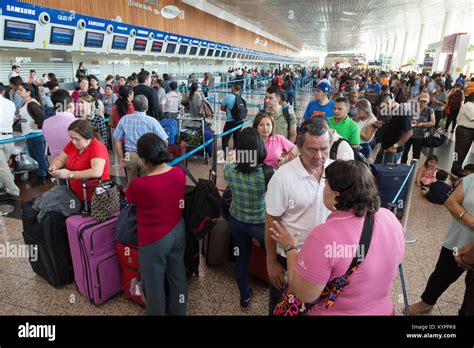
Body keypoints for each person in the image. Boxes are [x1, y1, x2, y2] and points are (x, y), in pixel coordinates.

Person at [270, 160, 405, 315]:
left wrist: (290, 248)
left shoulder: (324, 237)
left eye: (326, 183)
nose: (323, 187)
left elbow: (304, 294)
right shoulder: (390, 218)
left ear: (336, 195)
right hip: (384, 310)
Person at [265, 119, 333, 314]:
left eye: (324, 148)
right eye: (312, 149)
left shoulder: (335, 171)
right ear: (298, 147)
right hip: (288, 257)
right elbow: (271, 222)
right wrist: (271, 262)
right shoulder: (283, 177)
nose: (319, 156)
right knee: (282, 308)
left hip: (324, 258)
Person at [125, 133, 187, 316]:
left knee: (154, 285)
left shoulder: (140, 185)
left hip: (153, 240)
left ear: (143, 160)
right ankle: (179, 310)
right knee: (177, 277)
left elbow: (130, 197)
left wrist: (132, 171)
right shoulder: (179, 172)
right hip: (178, 230)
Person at [404, 173, 474, 315]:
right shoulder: (471, 179)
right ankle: (426, 303)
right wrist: (471, 221)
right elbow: (451, 202)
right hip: (457, 239)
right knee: (441, 274)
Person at [224, 128, 272, 307]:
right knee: (272, 259)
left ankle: (244, 295)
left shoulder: (229, 169)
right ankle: (276, 293)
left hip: (237, 221)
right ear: (259, 147)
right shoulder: (267, 173)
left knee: (241, 259)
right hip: (260, 225)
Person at [48, 120, 110, 202]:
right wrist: (54, 166)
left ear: (88, 138)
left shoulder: (98, 147)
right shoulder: (72, 145)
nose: (73, 142)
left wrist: (69, 174)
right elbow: (61, 158)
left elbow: (96, 172)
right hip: (76, 195)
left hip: (95, 198)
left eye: (77, 139)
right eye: (71, 138)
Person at [114, 95, 168, 183]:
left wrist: (121, 157)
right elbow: (165, 141)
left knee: (131, 184)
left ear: (133, 106)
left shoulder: (124, 119)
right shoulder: (152, 121)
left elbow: (117, 138)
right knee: (147, 184)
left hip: (129, 156)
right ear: (147, 107)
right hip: (147, 156)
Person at [17, 83, 49, 186]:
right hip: (29, 134)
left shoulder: (32, 104)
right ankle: (47, 171)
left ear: (28, 92)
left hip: (35, 135)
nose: (19, 91)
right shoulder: (26, 103)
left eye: (21, 90)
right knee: (33, 155)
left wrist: (39, 126)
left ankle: (41, 177)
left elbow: (43, 118)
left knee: (39, 157)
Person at [401, 93, 435, 164]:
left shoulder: (429, 110)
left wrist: (422, 124)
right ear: (419, 100)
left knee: (416, 154)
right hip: (408, 133)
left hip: (420, 135)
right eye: (423, 101)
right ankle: (402, 167)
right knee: (404, 152)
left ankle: (413, 169)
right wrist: (409, 120)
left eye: (426, 101)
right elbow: (405, 117)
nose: (424, 103)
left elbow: (433, 122)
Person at [42, 90, 76, 159]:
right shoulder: (77, 122)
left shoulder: (46, 122)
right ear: (70, 104)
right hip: (74, 162)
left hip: (54, 162)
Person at [0, 83, 20, 200]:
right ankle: (8, 186)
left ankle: (13, 191)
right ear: (3, 92)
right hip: (9, 138)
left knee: (2, 167)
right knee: (4, 167)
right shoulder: (11, 104)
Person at [451, 93, 474, 178]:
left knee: (461, 150)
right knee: (459, 151)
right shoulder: (468, 106)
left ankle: (456, 167)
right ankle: (455, 168)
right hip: (464, 131)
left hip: (468, 131)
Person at [220, 83, 245, 158]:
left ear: (233, 88)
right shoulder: (242, 98)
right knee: (236, 138)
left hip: (230, 122)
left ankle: (226, 155)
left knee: (225, 138)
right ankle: (235, 154)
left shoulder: (228, 97)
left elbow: (222, 108)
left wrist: (229, 111)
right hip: (240, 121)